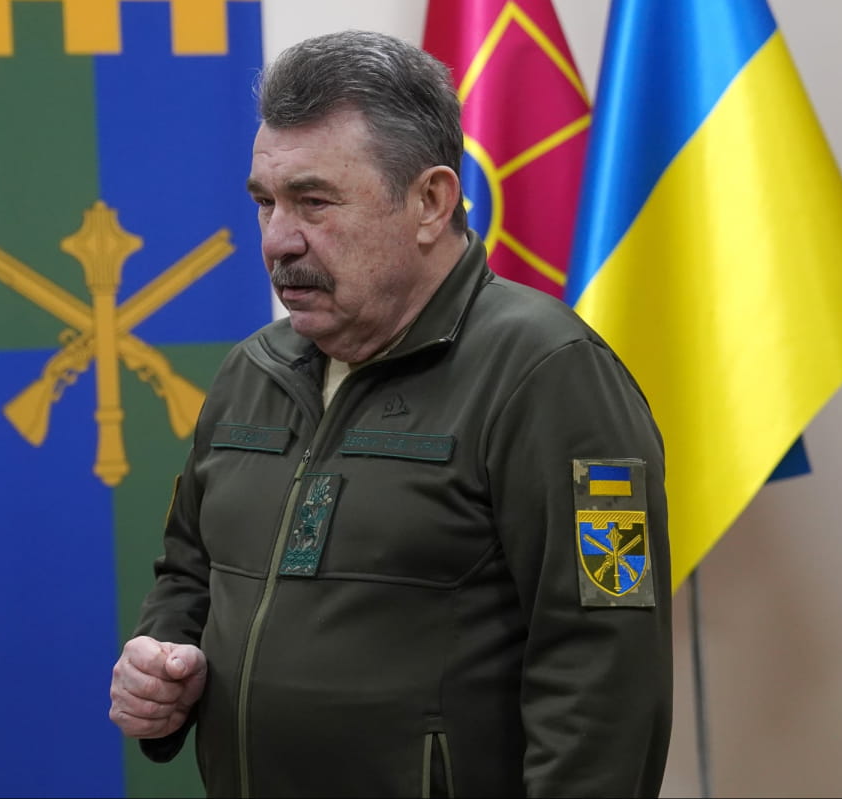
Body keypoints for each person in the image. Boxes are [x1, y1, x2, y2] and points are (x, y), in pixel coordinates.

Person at [109, 29, 672, 798]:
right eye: (266, 202)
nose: (278, 240)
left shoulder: (547, 372)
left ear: (430, 202)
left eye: (314, 201)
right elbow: (189, 572)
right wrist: (161, 656)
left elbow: (604, 671)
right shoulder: (252, 371)